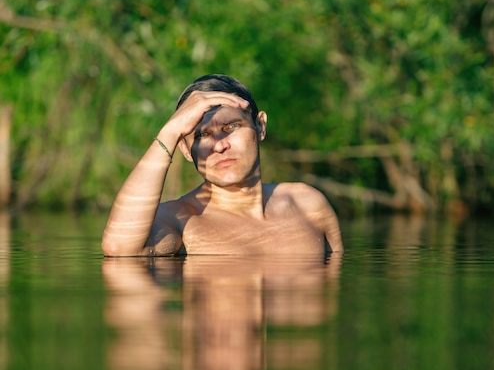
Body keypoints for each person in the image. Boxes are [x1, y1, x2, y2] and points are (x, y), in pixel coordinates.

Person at [101, 74, 343, 256]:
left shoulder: (307, 203)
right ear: (186, 150)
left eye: (231, 128)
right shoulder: (180, 220)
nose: (219, 145)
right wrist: (171, 131)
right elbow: (119, 248)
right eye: (202, 135)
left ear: (260, 126)